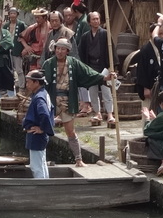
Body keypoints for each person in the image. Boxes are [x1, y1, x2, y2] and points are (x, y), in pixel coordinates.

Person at [42, 37, 110, 166]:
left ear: (67, 50)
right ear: (55, 49)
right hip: (51, 99)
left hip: (68, 100)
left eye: (63, 49)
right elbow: (41, 81)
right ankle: (43, 158)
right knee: (44, 129)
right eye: (58, 48)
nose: (60, 51)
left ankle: (78, 159)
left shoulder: (73, 63)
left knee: (70, 131)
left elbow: (88, 72)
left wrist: (104, 77)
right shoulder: (48, 64)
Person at [78, 11, 115, 127]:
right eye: (93, 19)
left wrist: (112, 67)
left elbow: (112, 51)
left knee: (106, 91)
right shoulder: (85, 37)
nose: (96, 21)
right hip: (91, 67)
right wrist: (84, 69)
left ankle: (110, 114)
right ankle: (97, 112)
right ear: (89, 22)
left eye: (97, 19)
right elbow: (82, 53)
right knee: (92, 91)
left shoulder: (105, 34)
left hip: (103, 65)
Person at [21, 69, 55, 179]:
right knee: (42, 163)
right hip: (39, 136)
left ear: (36, 82)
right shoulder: (43, 94)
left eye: (28, 82)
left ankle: (42, 191)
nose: (27, 85)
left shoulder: (39, 97)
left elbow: (44, 114)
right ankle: (46, 188)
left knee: (36, 166)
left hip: (36, 135)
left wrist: (42, 128)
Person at [5, 6, 27, 87]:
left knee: (19, 70)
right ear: (9, 15)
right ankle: (9, 85)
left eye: (14, 13)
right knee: (8, 69)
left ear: (17, 14)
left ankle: (21, 86)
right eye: (11, 13)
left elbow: (26, 35)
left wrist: (24, 47)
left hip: (17, 50)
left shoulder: (21, 24)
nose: (13, 15)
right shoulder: (6, 25)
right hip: (7, 50)